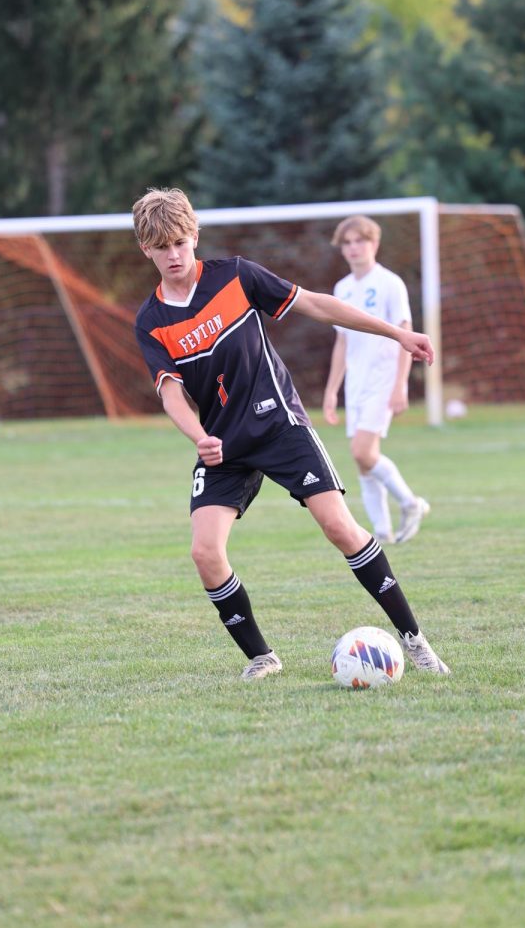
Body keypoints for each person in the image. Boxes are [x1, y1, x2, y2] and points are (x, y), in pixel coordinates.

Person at [132, 187, 449, 680]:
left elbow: (319, 306)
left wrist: (397, 334)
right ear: (145, 249)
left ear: (194, 236)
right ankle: (263, 657)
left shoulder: (235, 275)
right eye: (161, 246)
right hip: (221, 444)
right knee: (204, 551)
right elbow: (171, 393)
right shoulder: (151, 321)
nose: (173, 254)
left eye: (179, 241)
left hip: (278, 424)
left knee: (340, 528)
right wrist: (198, 436)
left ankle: (415, 641)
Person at [323, 215, 429, 545]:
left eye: (360, 240)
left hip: (383, 379)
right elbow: (341, 342)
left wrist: (400, 385)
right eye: (348, 242)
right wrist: (331, 391)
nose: (354, 248)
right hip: (356, 383)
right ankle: (382, 533)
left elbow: (405, 335)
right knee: (363, 464)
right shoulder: (341, 289)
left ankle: (411, 503)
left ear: (375, 243)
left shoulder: (390, 284)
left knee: (362, 451)